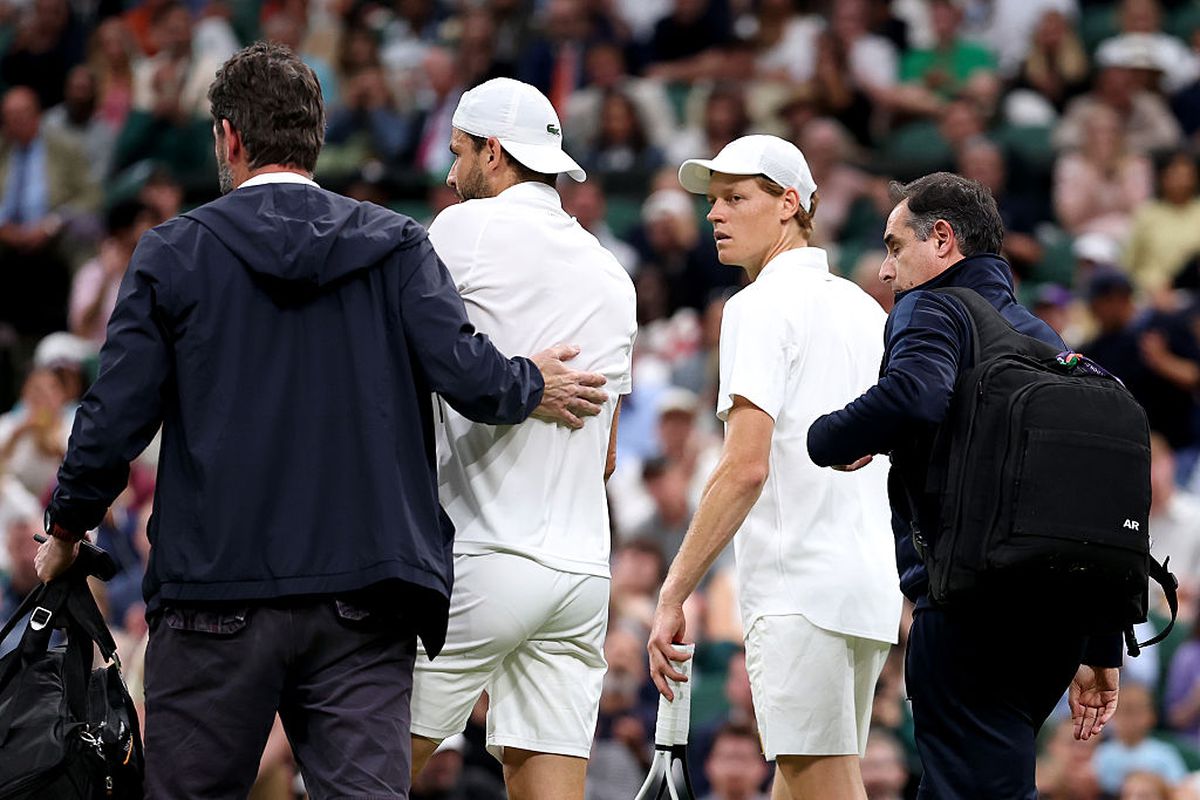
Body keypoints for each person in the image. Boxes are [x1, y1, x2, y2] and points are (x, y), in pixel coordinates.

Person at [34, 42, 609, 800]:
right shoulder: (398, 243)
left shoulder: (172, 254)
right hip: (364, 600)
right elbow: (470, 377)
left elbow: (112, 422)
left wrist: (68, 529)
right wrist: (534, 380)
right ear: (314, 140)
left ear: (229, 139)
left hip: (215, 596)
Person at [806, 172, 1125, 799]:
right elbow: (1090, 493)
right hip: (1056, 628)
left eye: (895, 247)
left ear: (943, 239)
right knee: (972, 780)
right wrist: (1099, 639)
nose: (885, 272)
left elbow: (916, 393)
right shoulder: (1046, 341)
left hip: (971, 611)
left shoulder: (933, 306)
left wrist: (826, 436)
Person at [647, 134, 903, 800]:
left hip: (799, 595)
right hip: (866, 591)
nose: (714, 215)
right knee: (798, 784)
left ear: (790, 203)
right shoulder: (864, 309)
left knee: (822, 785)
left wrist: (674, 590)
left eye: (736, 197)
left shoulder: (754, 307)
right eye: (712, 201)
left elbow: (745, 469)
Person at [407, 77, 637, 800]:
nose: (449, 174)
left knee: (356, 777)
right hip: (579, 577)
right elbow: (606, 454)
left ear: (494, 153)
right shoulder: (612, 273)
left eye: (459, 153)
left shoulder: (461, 231)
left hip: (479, 556)